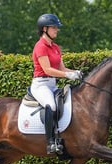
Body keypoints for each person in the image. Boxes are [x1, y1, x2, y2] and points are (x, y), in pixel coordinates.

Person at [31, 13, 82, 154]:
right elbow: (47, 69)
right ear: (45, 29)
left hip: (52, 84)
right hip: (41, 85)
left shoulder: (55, 47)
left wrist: (76, 72)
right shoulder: (40, 46)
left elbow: (62, 69)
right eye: (54, 28)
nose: (57, 30)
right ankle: (50, 143)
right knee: (51, 105)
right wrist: (67, 75)